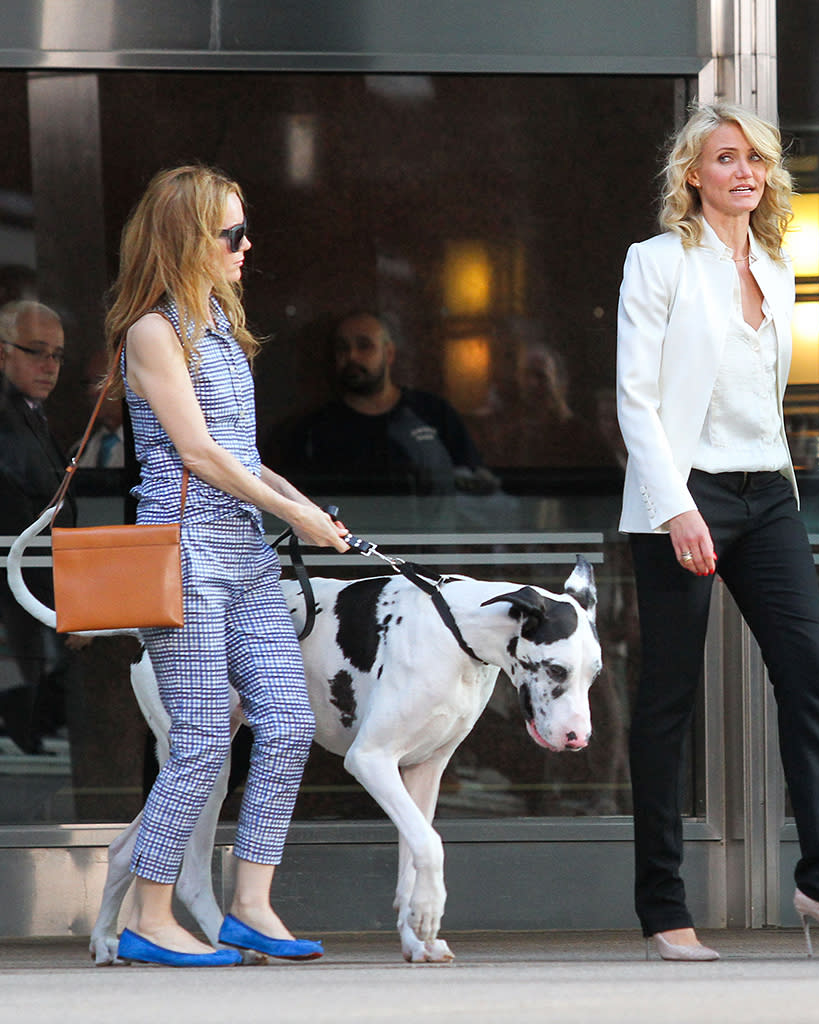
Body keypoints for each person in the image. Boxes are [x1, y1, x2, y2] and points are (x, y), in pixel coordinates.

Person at [616, 102, 819, 961]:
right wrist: (678, 508)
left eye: (756, 160)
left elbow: (758, 394)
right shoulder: (657, 263)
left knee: (808, 674)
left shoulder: (777, 265)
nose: (745, 172)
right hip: (683, 493)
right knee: (667, 703)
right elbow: (637, 399)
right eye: (726, 158)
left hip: (769, 495)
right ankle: (665, 909)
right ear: (693, 175)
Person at [104, 165, 349, 968]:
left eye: (244, 231)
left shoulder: (219, 328)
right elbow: (198, 451)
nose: (247, 246)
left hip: (242, 552)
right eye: (231, 233)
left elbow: (242, 455)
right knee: (205, 738)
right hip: (183, 555)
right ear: (186, 239)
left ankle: (251, 905)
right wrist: (294, 514)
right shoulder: (154, 330)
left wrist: (305, 507)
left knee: (289, 723)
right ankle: (149, 915)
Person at [266, 311, 496, 498]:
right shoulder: (313, 430)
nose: (352, 356)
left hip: (429, 546)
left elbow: (477, 484)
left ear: (389, 353)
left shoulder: (431, 412)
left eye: (364, 346)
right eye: (343, 348)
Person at [0, 300, 83, 755]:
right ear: (2, 354)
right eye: (36, 351)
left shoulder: (26, 411)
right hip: (25, 585)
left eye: (57, 355)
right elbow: (26, 517)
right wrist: (69, 605)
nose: (49, 366)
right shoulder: (6, 418)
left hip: (37, 588)